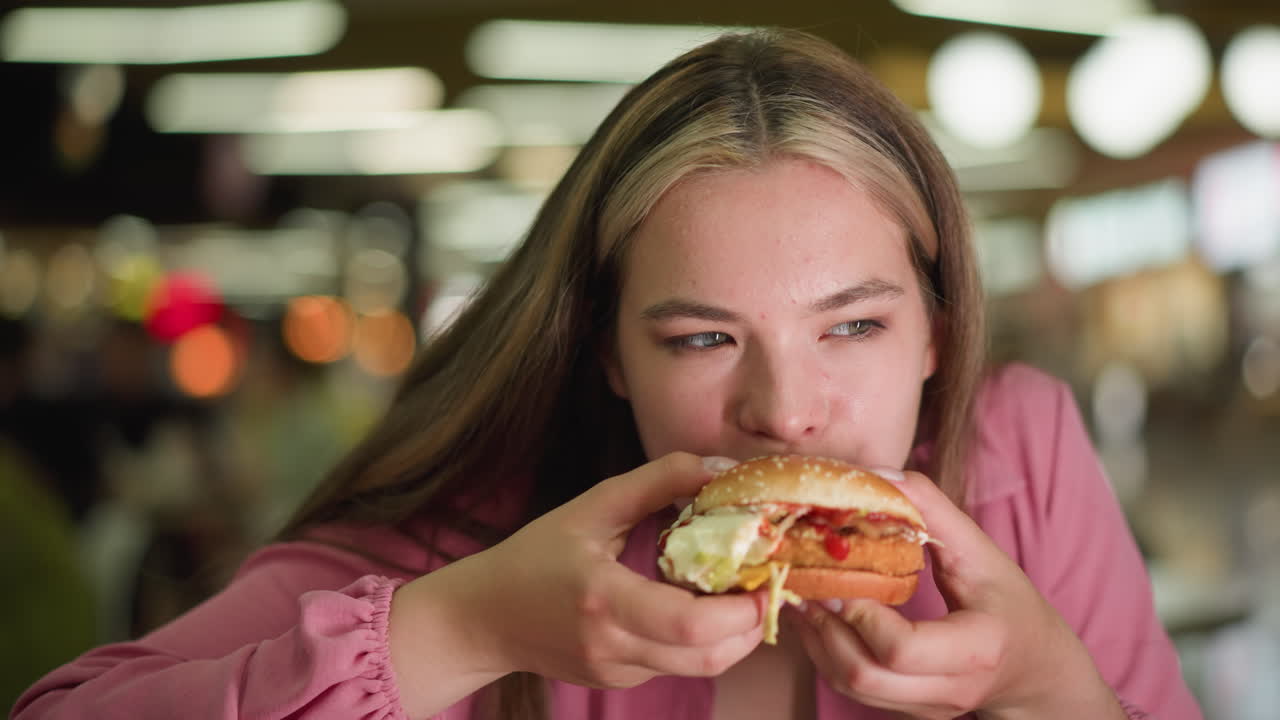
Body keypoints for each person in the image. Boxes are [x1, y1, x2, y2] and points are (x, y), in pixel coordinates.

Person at [12, 28, 1201, 720]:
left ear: (937, 334)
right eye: (699, 340)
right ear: (607, 356)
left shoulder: (1019, 456)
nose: (782, 409)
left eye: (853, 328)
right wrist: (461, 629)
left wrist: (1050, 685)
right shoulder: (482, 533)